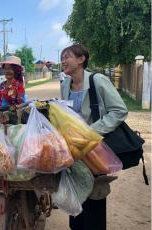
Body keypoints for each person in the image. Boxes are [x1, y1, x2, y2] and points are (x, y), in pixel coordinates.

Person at [60, 44, 128, 230]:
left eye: (67, 56)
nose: (63, 60)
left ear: (81, 59)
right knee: (76, 194)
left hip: (95, 150)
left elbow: (119, 110)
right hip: (74, 151)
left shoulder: (98, 80)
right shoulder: (65, 84)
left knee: (94, 197)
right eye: (62, 57)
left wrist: (91, 132)